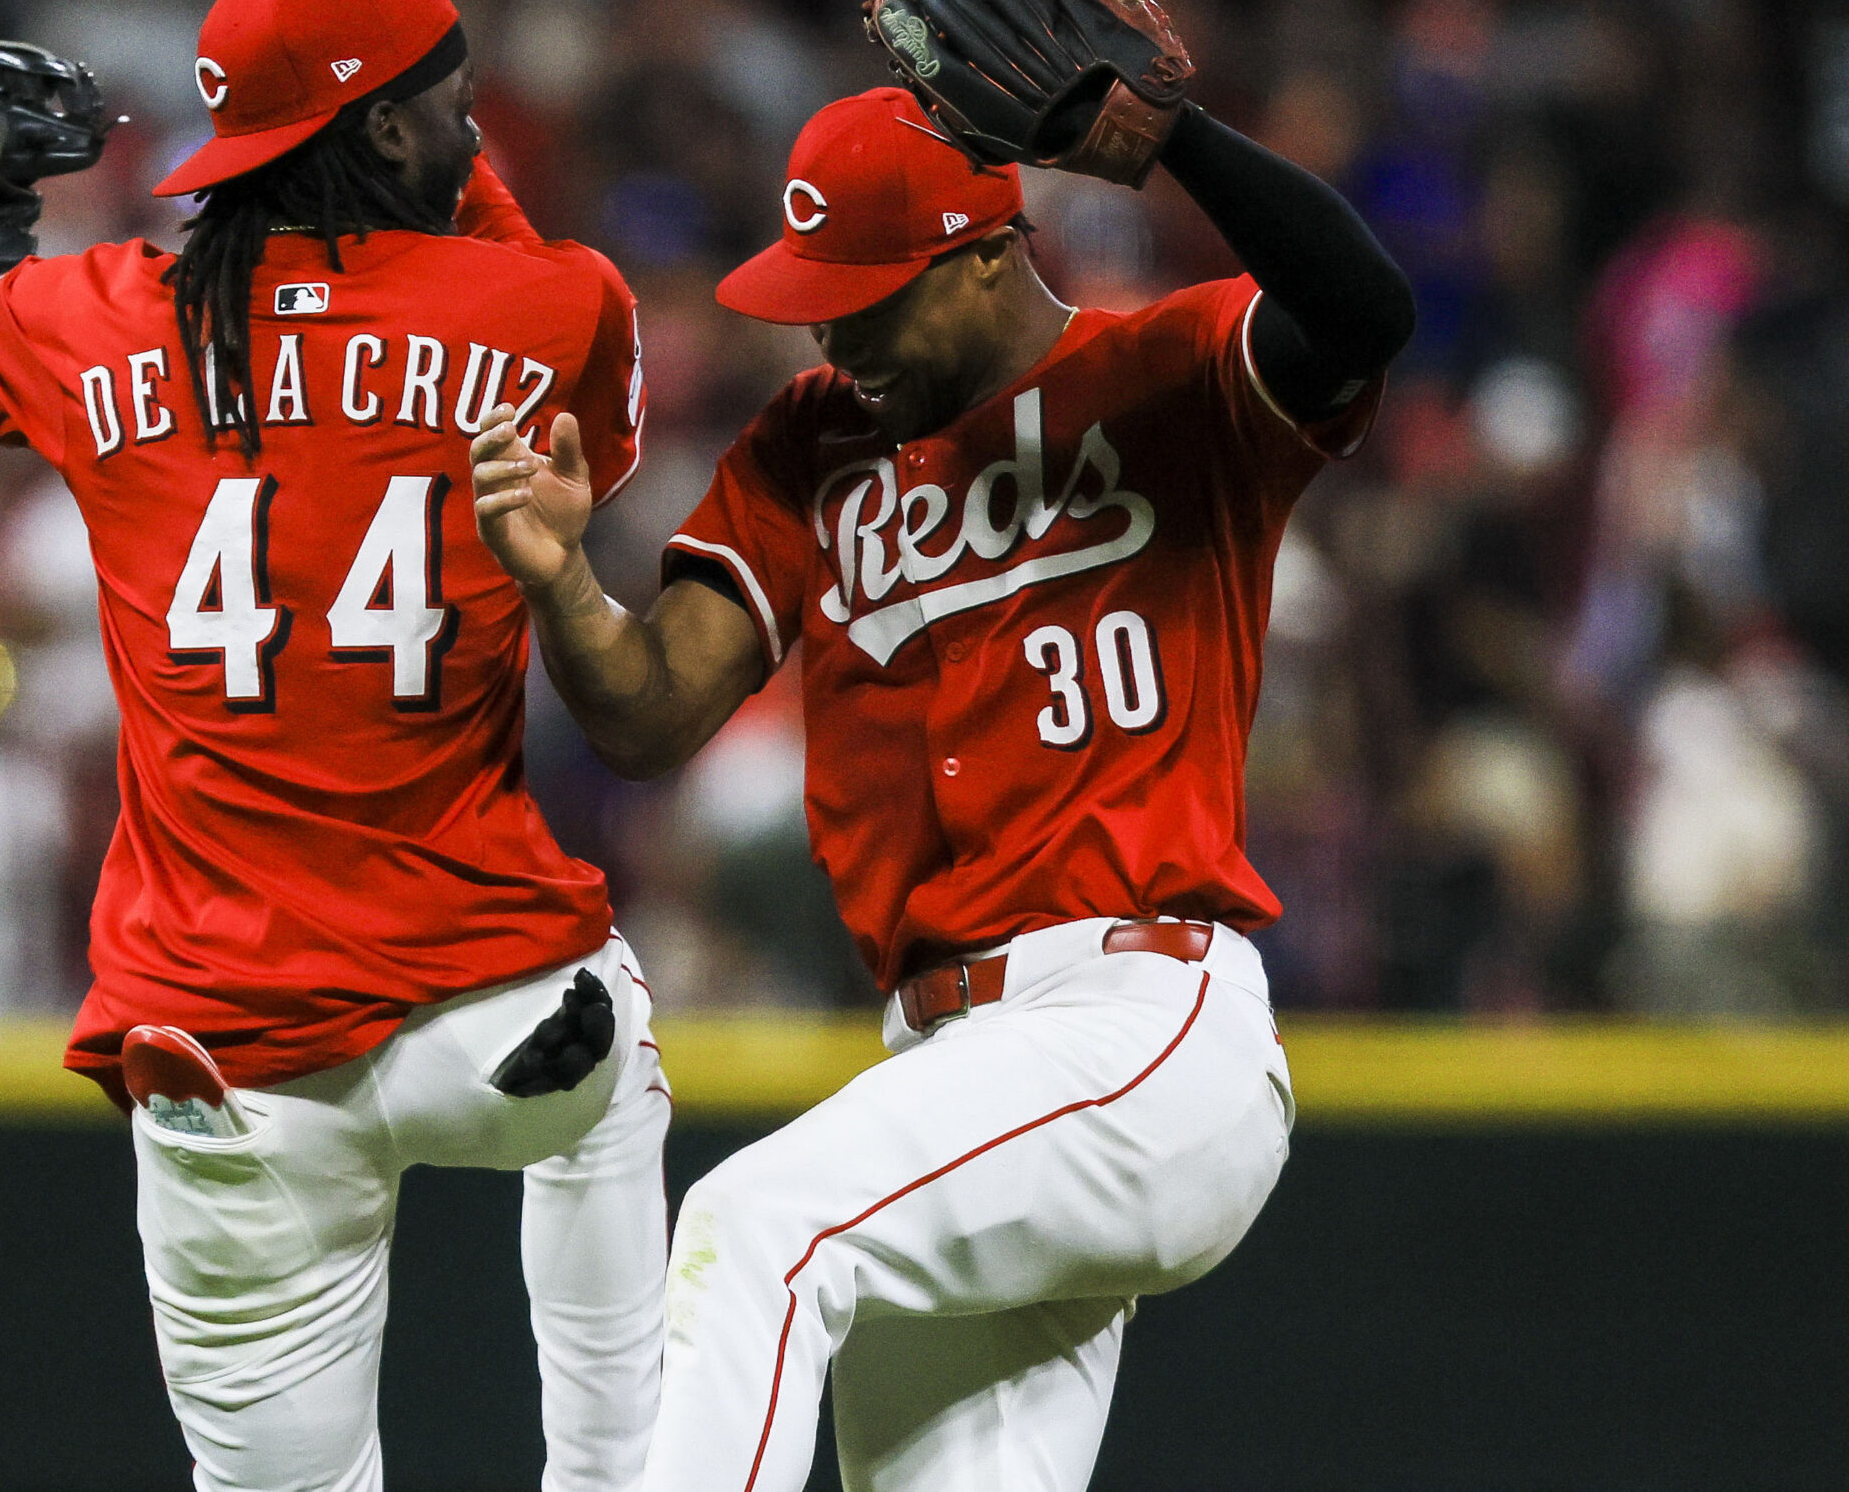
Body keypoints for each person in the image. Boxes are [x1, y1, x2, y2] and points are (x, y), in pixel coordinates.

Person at [0, 0, 669, 1492]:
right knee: (612, 1089)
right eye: (455, 110)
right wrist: (429, 191)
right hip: (498, 1008)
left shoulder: (92, 316)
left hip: (224, 1044)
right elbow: (532, 311)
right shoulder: (550, 306)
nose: (479, 137)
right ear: (394, 136)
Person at [470, 73, 1412, 1490]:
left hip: (1135, 1020)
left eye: (867, 294)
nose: (833, 330)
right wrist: (564, 592)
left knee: (758, 1229)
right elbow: (654, 714)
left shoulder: (1175, 372)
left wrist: (1178, 142)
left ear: (986, 255)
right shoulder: (815, 441)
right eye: (815, 297)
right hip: (952, 1069)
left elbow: (1363, 312)